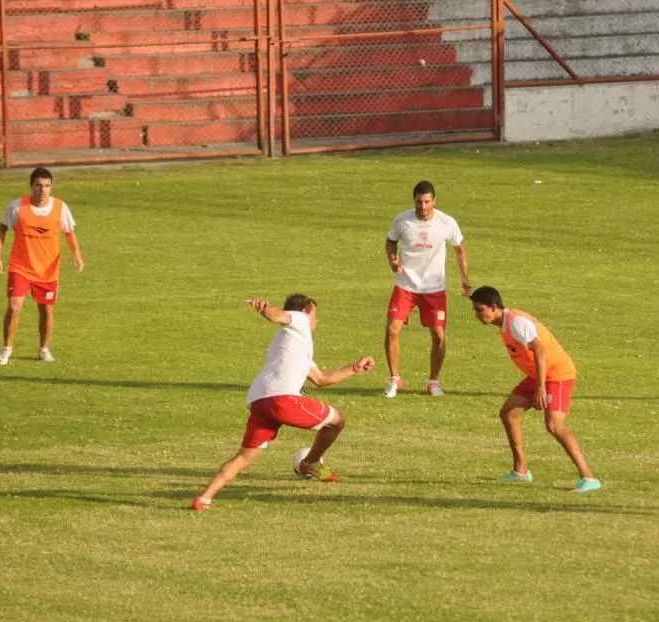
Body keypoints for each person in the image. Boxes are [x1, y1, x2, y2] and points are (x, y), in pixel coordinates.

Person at [192, 294, 374, 511]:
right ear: (305, 312)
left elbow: (322, 379)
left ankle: (204, 498)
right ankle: (310, 463)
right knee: (337, 420)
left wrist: (354, 368)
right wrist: (265, 310)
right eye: (315, 315)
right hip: (281, 400)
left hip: (259, 401)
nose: (317, 321)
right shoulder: (299, 320)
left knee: (244, 456)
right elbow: (278, 315)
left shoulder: (293, 343)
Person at [469, 286, 601, 493]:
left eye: (479, 309)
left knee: (554, 425)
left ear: (494, 307)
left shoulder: (517, 323)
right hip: (539, 374)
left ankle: (589, 477)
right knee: (509, 413)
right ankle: (520, 471)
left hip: (557, 373)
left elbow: (539, 349)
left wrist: (540, 387)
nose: (476, 315)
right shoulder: (504, 323)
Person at [383, 180, 472, 398]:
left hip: (434, 288)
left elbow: (459, 249)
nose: (422, 206)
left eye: (427, 201)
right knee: (392, 329)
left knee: (438, 336)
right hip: (406, 285)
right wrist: (392, 260)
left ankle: (433, 382)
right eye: (419, 202)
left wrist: (464, 278)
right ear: (413, 200)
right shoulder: (403, 220)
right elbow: (390, 241)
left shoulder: (446, 222)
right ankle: (394, 379)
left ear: (434, 200)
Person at [0, 167, 84, 365]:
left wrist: (77, 254)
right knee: (14, 307)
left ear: (51, 187)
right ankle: (7, 348)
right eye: (38, 186)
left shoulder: (60, 207)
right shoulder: (17, 207)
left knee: (47, 310)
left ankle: (44, 349)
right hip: (21, 267)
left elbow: (69, 232)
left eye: (47, 186)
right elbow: (2, 230)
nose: (42, 190)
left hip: (47, 270)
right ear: (31, 186)